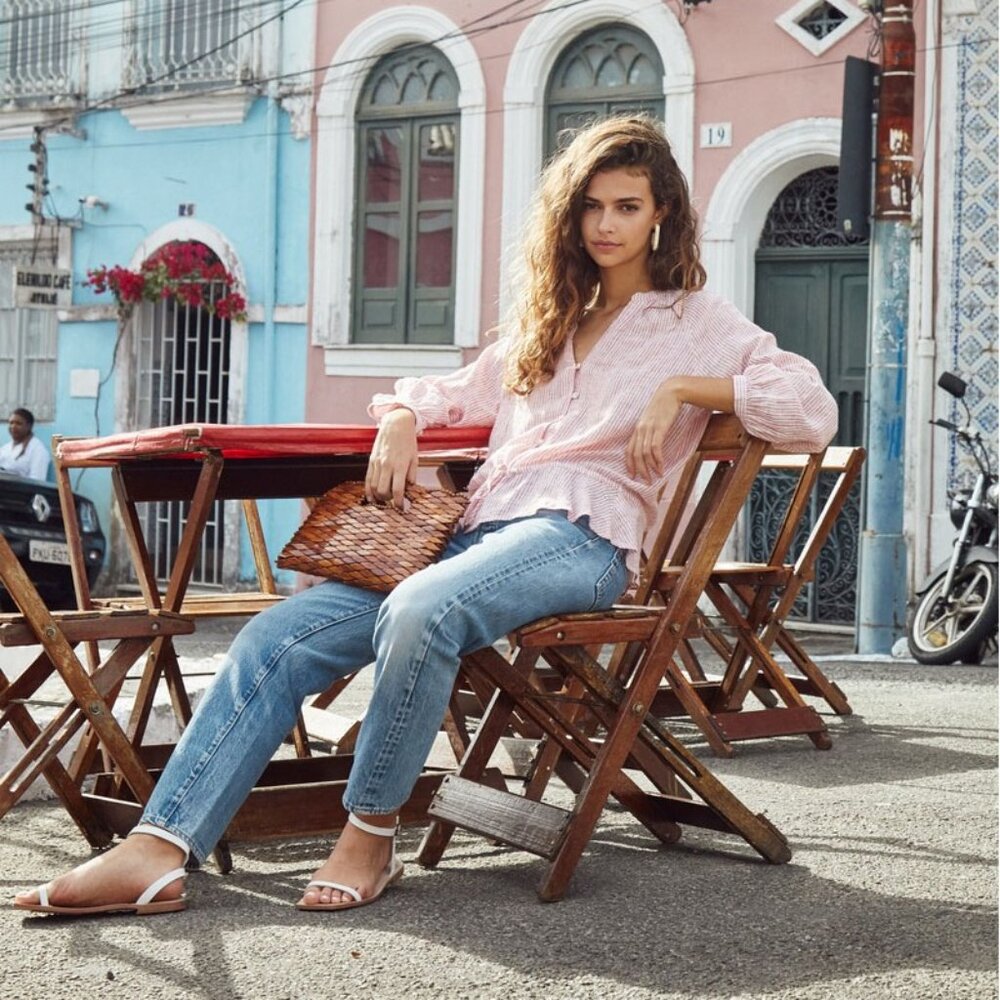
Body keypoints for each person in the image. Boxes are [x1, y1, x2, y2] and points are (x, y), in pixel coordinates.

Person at [14, 116, 838, 917]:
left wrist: (691, 389)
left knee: (421, 609)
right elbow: (445, 393)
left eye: (627, 206)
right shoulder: (549, 323)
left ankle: (371, 833)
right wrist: (403, 415)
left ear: (662, 213)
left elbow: (810, 407)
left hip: (583, 540)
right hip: (474, 538)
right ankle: (159, 849)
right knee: (276, 636)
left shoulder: (696, 320)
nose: (606, 225)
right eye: (591, 205)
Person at [0, 408, 50, 481]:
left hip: (21, 491)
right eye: (11, 423)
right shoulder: (5, 448)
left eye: (18, 423)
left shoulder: (38, 450)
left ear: (29, 426)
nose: (13, 426)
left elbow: (37, 482)